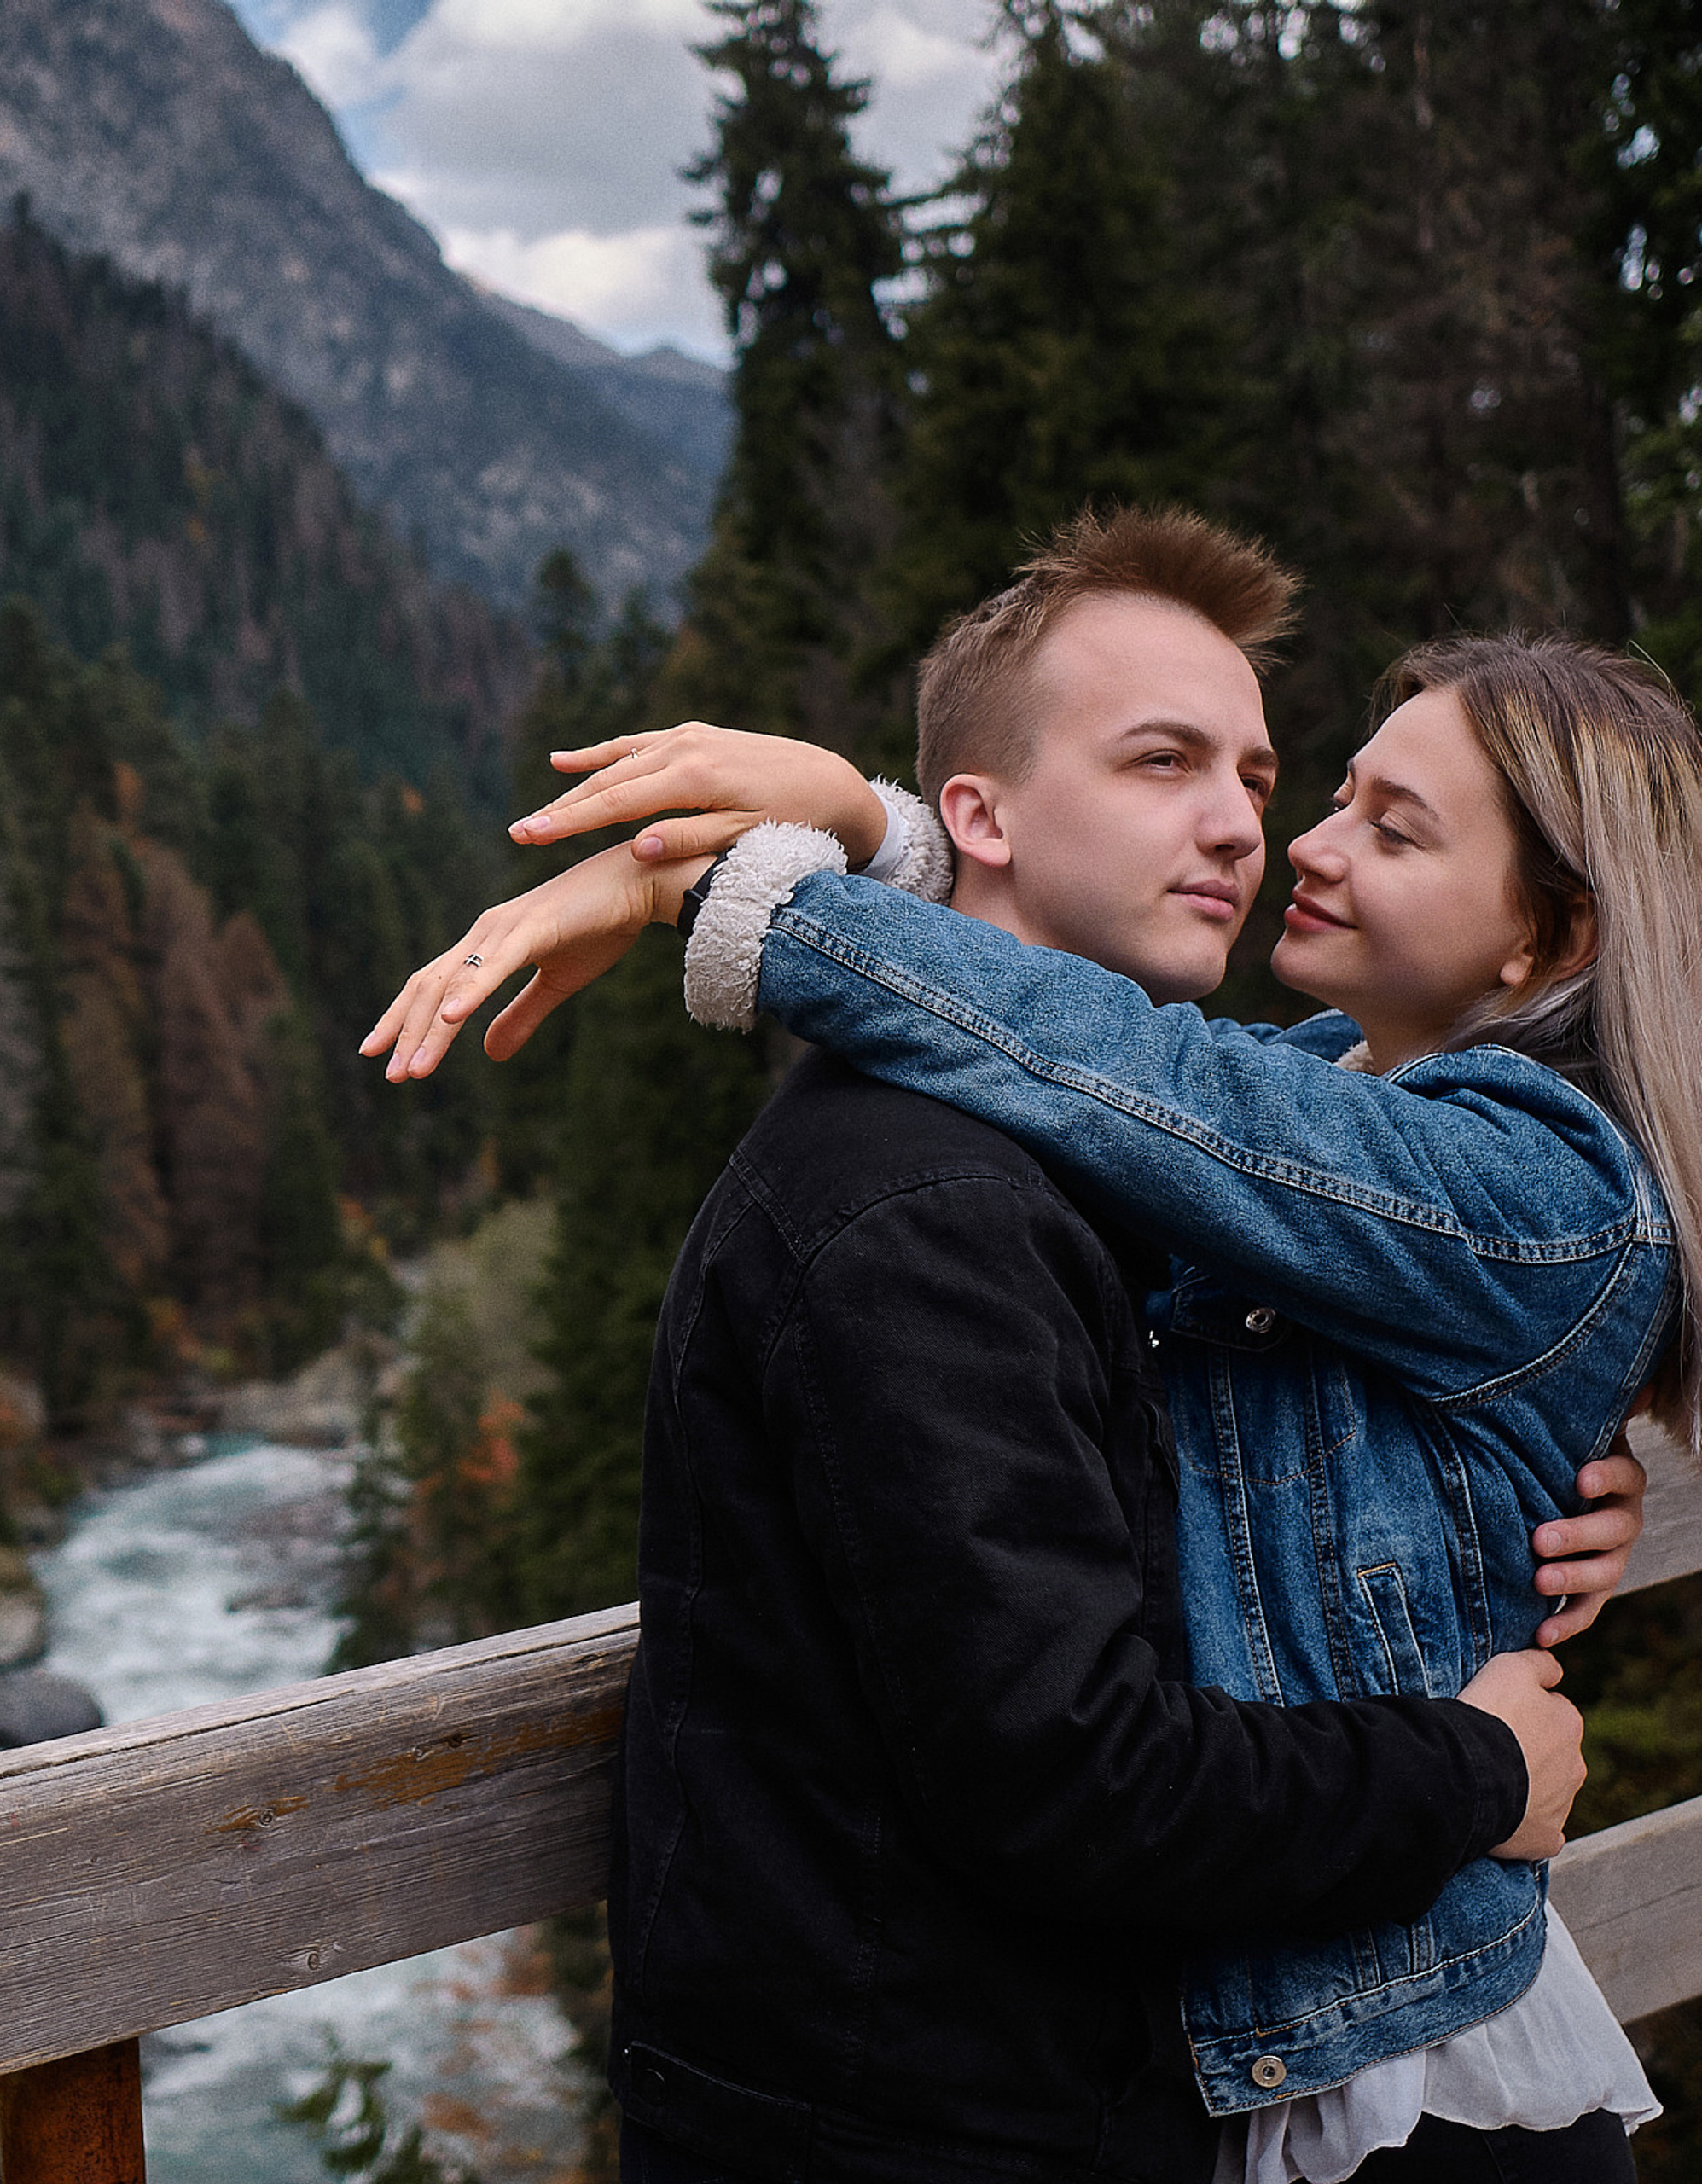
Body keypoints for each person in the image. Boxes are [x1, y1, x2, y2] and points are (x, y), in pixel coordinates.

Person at [363, 509, 1652, 2183]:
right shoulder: (938, 1203)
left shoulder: (1362, 1156)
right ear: (989, 809)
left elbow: (1156, 1083)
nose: (1264, 839)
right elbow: (1074, 1768)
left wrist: (1530, 1454)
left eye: (1267, 784)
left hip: (1260, 2074)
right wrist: (1473, 1761)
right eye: (1165, 762)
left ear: (1540, 940)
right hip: (944, 2118)